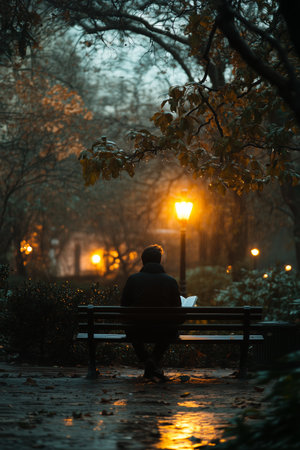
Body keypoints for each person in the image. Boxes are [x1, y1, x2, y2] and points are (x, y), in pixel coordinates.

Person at [121, 244, 182, 381]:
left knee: (131, 329)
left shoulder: (133, 280)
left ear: (143, 261)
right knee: (171, 330)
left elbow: (123, 307)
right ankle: (153, 362)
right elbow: (178, 311)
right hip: (163, 330)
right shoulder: (170, 281)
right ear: (159, 260)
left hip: (137, 330)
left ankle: (148, 362)